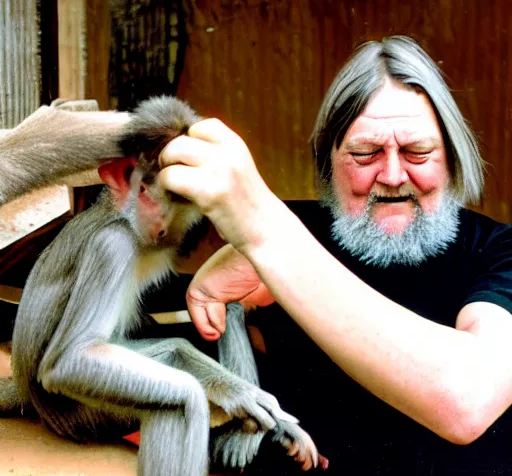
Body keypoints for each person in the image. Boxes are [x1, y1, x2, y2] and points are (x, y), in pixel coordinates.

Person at [157, 36, 512, 475]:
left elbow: (466, 399)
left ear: (453, 158)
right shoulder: (290, 231)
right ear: (330, 160)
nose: (394, 175)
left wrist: (267, 237)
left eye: (418, 152)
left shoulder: (500, 252)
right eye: (365, 155)